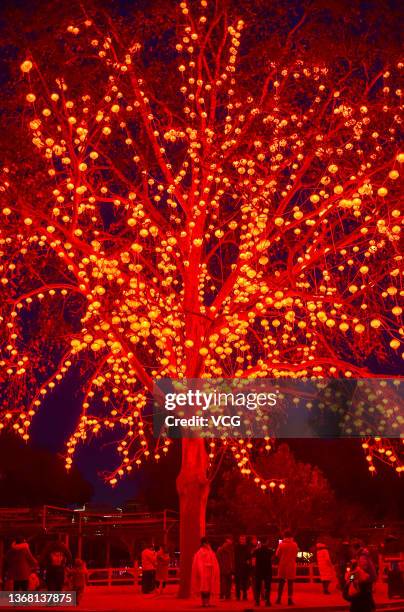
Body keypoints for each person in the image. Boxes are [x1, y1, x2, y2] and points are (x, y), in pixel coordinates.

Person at [343, 543, 377, 612]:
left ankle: (372, 605)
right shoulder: (363, 554)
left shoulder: (362, 557)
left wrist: (349, 582)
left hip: (366, 578)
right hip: (367, 577)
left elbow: (362, 569)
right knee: (368, 594)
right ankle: (372, 606)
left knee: (366, 593)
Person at [191, 537, 220, 608]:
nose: (207, 544)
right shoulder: (200, 552)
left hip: (210, 571)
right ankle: (204, 602)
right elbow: (198, 563)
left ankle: (208, 602)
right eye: (206, 543)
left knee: (209, 587)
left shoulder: (210, 551)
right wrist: (201, 571)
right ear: (203, 543)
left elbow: (214, 560)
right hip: (204, 572)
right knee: (204, 587)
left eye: (207, 543)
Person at [275, 530, 298, 606]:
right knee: (290, 583)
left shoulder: (281, 544)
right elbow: (296, 554)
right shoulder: (295, 544)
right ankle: (289, 599)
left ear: (284, 536)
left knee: (281, 583)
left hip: (283, 565)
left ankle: (278, 599)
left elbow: (277, 554)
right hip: (291, 565)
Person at [252, 537, 273, 607]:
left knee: (257, 586)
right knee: (268, 586)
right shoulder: (270, 551)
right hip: (267, 571)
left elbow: (252, 554)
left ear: (260, 543)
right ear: (267, 542)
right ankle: (267, 601)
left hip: (258, 570)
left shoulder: (257, 551)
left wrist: (257, 547)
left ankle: (257, 601)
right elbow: (274, 556)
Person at [234, 535, 250, 601]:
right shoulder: (237, 547)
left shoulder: (246, 547)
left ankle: (244, 595)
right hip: (238, 567)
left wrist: (248, 562)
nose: (243, 540)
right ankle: (238, 596)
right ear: (239, 540)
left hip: (244, 567)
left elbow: (248, 556)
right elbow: (235, 557)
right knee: (238, 582)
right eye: (241, 539)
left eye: (244, 539)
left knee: (244, 582)